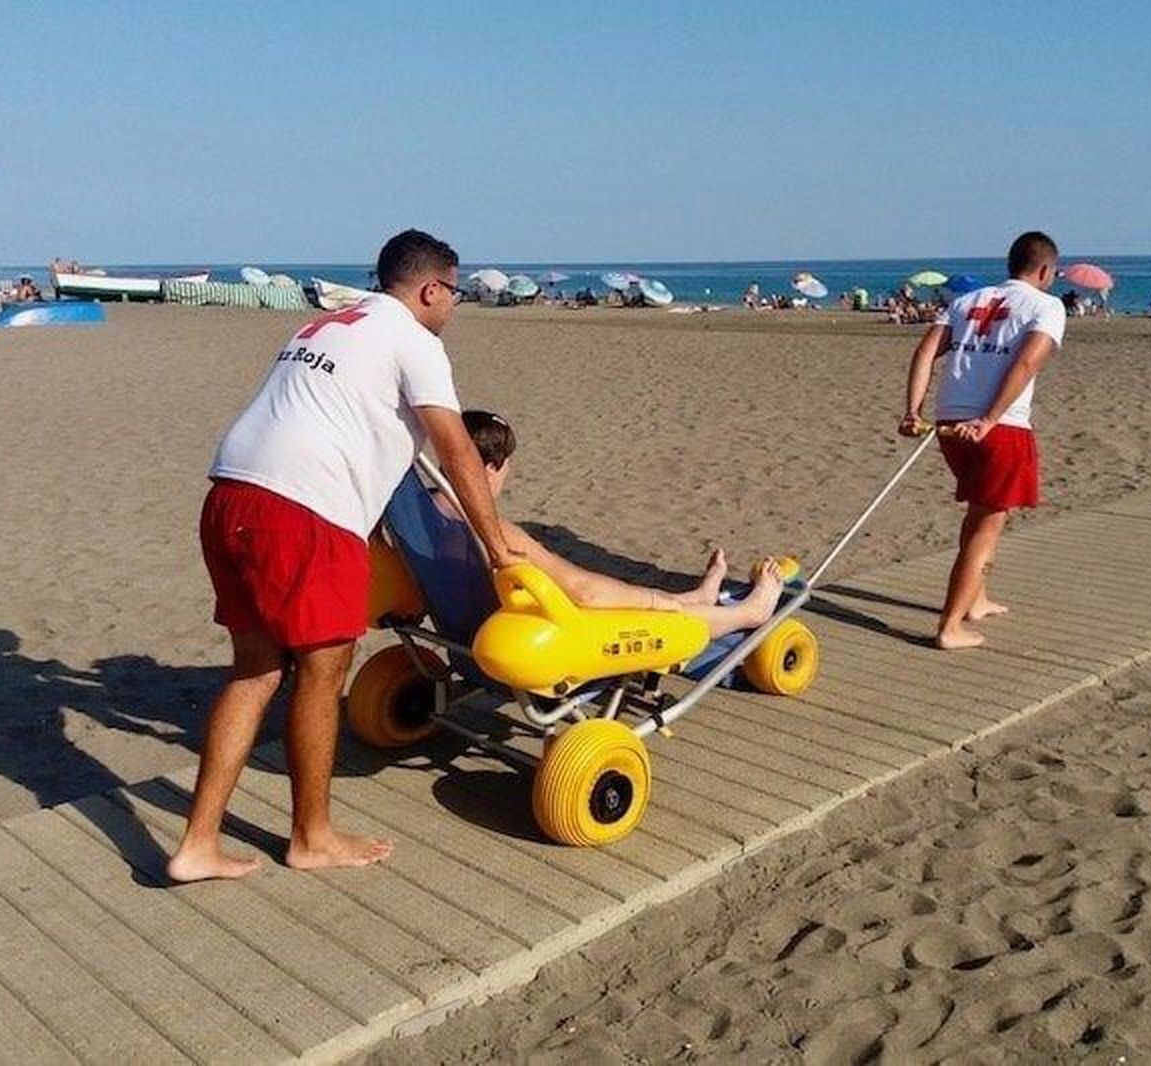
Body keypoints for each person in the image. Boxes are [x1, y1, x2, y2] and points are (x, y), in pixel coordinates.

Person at [167, 229, 521, 884]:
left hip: (230, 496)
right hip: (303, 510)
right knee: (323, 672)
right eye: (456, 293)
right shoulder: (415, 341)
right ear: (431, 289)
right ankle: (312, 835)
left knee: (253, 671)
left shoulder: (327, 325)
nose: (455, 306)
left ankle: (198, 844)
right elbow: (458, 451)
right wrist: (497, 548)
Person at [456, 411, 784, 632]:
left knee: (654, 600)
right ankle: (747, 614)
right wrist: (658, 601)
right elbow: (584, 593)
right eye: (507, 464)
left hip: (476, 633)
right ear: (489, 469)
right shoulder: (497, 531)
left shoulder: (428, 516)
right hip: (557, 634)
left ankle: (695, 598)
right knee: (658, 612)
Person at [898, 231, 1066, 651]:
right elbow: (1028, 361)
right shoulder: (1047, 305)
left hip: (950, 422)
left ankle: (977, 599)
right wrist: (991, 418)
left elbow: (924, 353)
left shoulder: (965, 301)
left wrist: (912, 411)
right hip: (999, 426)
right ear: (1045, 270)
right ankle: (950, 626)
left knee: (982, 514)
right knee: (984, 527)